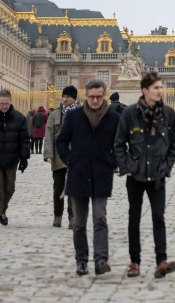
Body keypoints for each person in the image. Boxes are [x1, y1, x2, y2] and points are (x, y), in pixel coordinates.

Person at [114, 72, 175, 280]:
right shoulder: (130, 114)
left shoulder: (169, 114)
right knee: (134, 219)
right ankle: (135, 262)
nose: (160, 91)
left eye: (161, 87)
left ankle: (161, 261)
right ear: (145, 91)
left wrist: (166, 167)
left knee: (158, 218)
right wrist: (127, 166)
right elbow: (118, 144)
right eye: (156, 88)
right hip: (135, 176)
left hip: (157, 175)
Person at [56, 79, 120, 276]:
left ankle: (101, 260)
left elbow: (121, 143)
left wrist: (112, 161)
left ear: (104, 96)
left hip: (101, 173)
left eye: (98, 97)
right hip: (79, 174)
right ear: (86, 96)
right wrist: (70, 160)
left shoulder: (113, 117)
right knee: (79, 223)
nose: (95, 100)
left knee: (100, 218)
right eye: (91, 97)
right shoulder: (74, 116)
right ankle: (81, 261)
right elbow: (61, 141)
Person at [0, 90, 30, 229]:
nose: (4, 106)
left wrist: (24, 158)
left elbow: (24, 139)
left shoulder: (20, 118)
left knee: (9, 188)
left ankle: (2, 211)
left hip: (11, 158)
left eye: (7, 103)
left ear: (10, 102)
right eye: (2, 103)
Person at [44, 85, 79, 229]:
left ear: (74, 98)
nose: (64, 99)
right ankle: (57, 216)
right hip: (58, 156)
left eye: (67, 97)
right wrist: (48, 154)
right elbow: (49, 135)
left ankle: (73, 217)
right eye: (63, 96)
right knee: (58, 188)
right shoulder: (54, 115)